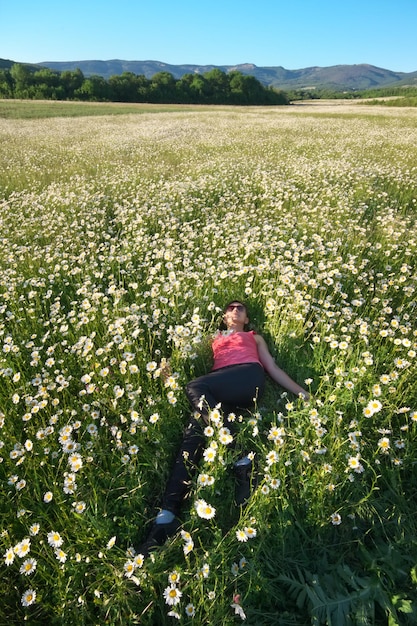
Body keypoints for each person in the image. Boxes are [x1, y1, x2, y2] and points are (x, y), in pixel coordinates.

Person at [138, 300, 309, 556]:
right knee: (192, 437)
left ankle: (239, 453)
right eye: (230, 308)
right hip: (219, 391)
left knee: (195, 387)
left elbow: (271, 367)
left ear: (247, 319)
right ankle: (166, 517)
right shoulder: (214, 337)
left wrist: (302, 393)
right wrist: (168, 371)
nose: (235, 310)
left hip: (248, 377)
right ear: (223, 316)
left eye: (240, 308)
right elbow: (187, 354)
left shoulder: (254, 337)